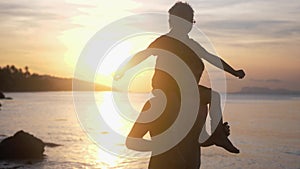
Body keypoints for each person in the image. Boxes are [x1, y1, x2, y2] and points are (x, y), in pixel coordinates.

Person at [115, 2, 245, 168]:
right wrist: (123, 69)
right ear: (172, 22)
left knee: (214, 96)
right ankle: (219, 135)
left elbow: (198, 139)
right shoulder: (164, 43)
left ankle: (219, 135)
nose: (186, 25)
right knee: (213, 96)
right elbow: (142, 55)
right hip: (167, 93)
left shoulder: (198, 105)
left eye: (190, 21)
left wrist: (233, 72)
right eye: (180, 21)